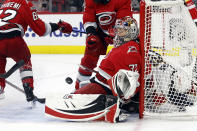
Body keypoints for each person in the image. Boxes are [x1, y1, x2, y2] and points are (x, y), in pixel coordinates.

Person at [45, 16, 140, 123]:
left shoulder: (130, 49)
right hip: (103, 83)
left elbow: (127, 79)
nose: (117, 33)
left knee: (66, 102)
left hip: (104, 87)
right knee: (80, 89)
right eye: (118, 30)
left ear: (130, 33)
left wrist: (119, 99)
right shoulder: (129, 45)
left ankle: (109, 106)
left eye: (121, 31)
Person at [0, 0, 72, 101]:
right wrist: (58, 26)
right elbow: (41, 29)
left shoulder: (4, 4)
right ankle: (28, 89)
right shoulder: (25, 4)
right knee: (25, 60)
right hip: (13, 37)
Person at [75, 0, 133, 90]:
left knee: (125, 55)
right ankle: (79, 87)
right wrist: (91, 33)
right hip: (99, 32)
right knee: (91, 51)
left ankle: (125, 87)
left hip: (121, 31)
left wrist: (117, 33)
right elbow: (88, 16)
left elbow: (126, 19)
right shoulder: (90, 1)